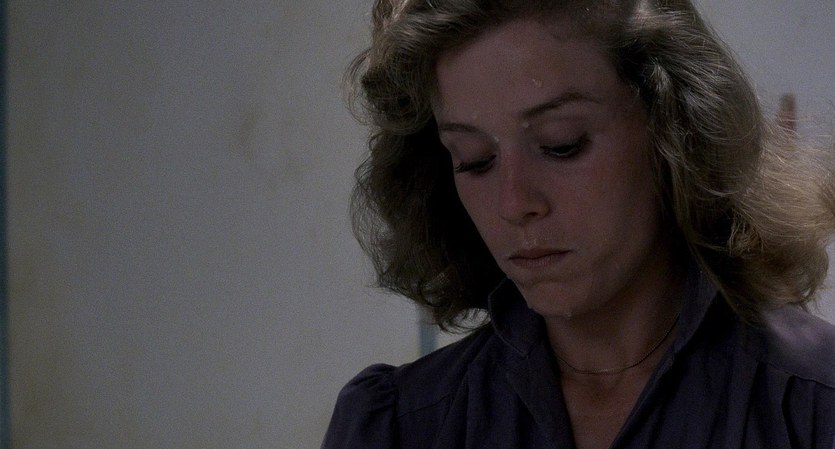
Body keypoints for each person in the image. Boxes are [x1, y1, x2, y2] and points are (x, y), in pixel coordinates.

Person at [323, 0, 835, 448]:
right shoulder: (401, 426)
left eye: (561, 144)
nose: (514, 204)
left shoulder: (814, 407)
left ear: (675, 131)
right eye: (475, 160)